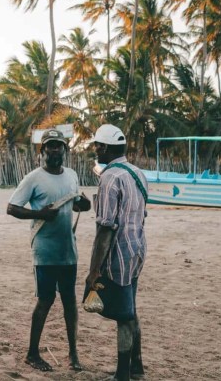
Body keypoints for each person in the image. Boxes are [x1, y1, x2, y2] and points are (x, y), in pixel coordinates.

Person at [6, 129, 90, 372]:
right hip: (44, 252)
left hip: (68, 251)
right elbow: (12, 208)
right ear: (42, 151)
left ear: (65, 150)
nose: (55, 150)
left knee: (69, 301)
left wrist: (84, 205)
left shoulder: (72, 176)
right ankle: (32, 353)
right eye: (50, 146)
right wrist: (39, 214)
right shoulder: (33, 178)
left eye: (59, 146)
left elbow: (76, 203)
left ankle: (73, 354)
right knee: (45, 300)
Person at [84, 124, 148, 380]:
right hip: (138, 247)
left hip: (119, 252)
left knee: (123, 314)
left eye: (98, 146)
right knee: (130, 308)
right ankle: (137, 367)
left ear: (107, 148)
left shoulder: (110, 177)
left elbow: (105, 229)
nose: (96, 150)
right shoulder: (137, 173)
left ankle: (122, 374)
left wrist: (93, 271)